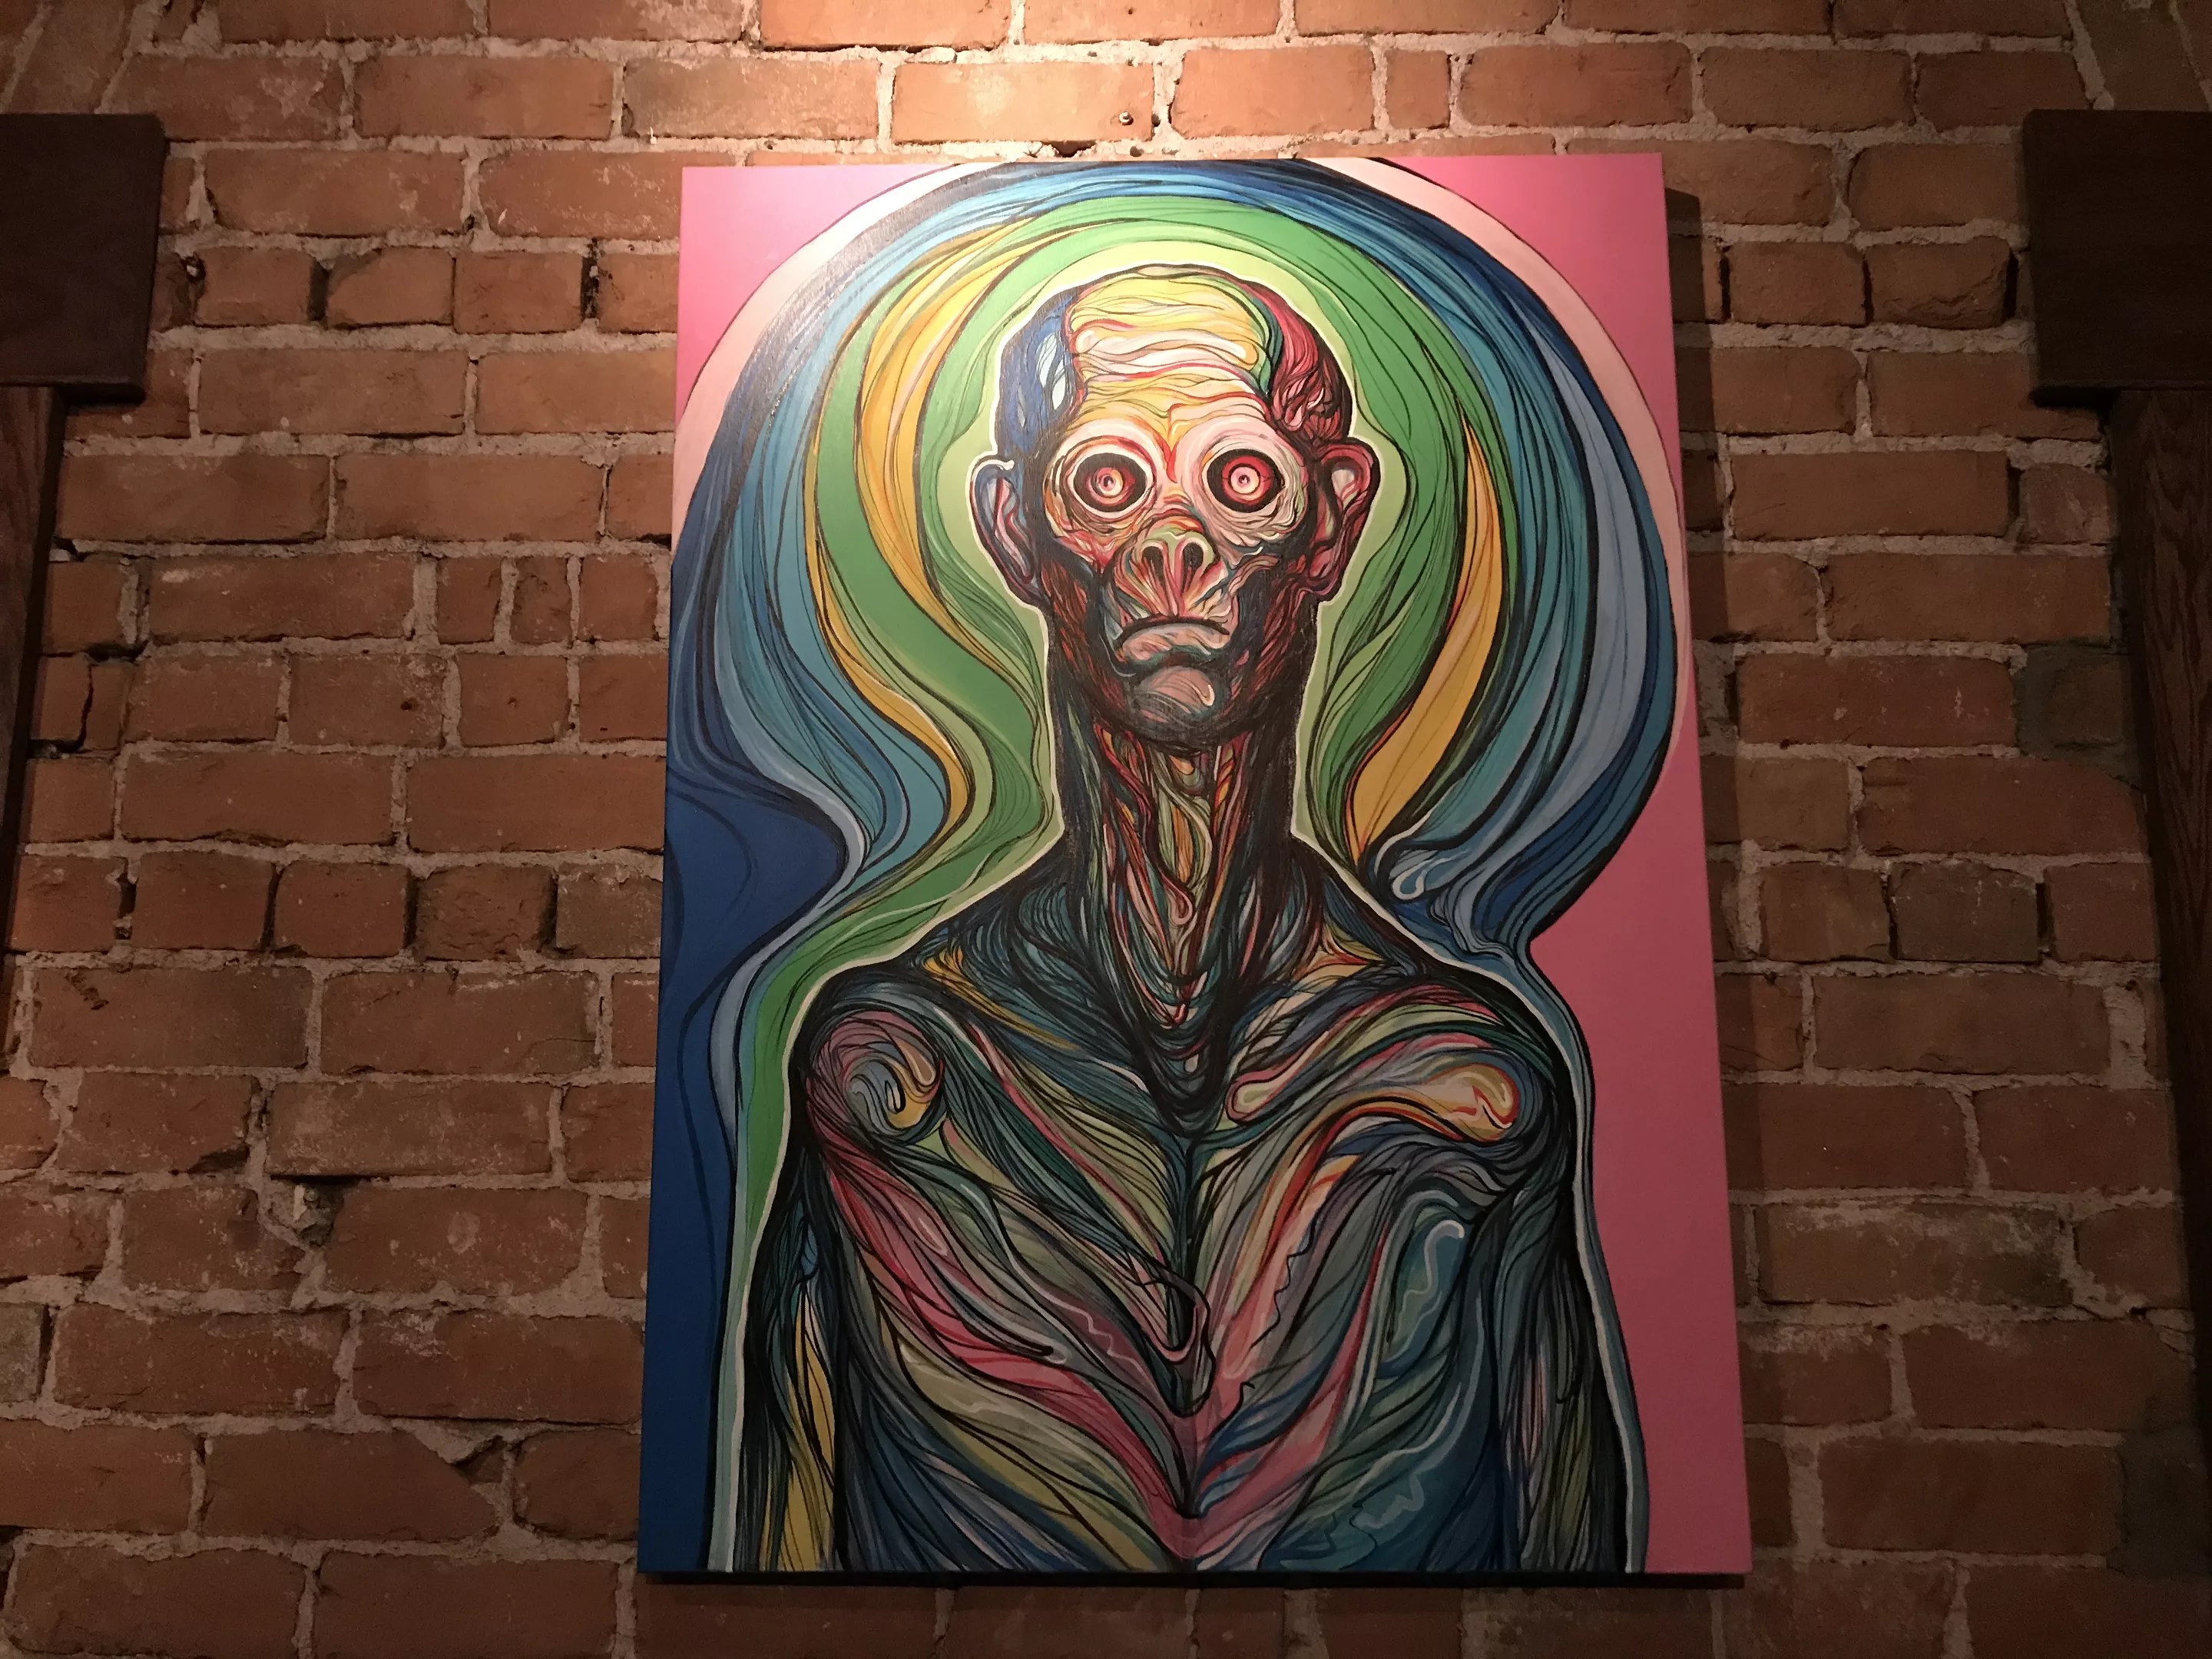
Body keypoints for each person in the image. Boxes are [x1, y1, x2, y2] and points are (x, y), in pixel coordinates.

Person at [734, 266, 1628, 1572]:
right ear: (1014, 530)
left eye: (1239, 479)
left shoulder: (1472, 1092)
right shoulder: (886, 1076)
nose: (1173, 545)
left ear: (1332, 523)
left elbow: (1575, 1563)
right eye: (1107, 481)